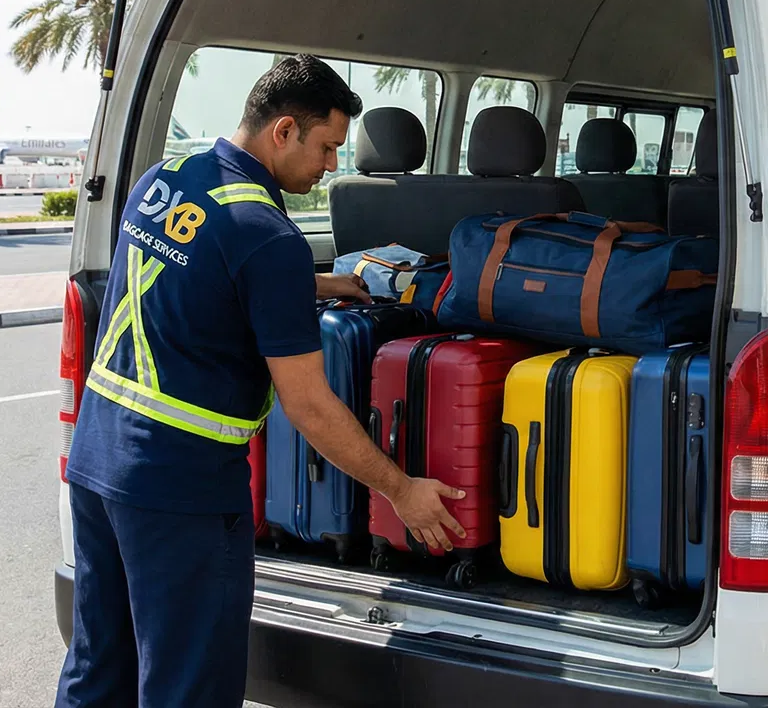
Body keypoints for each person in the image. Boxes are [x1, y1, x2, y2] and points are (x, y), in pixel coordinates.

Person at [57, 55, 465, 708]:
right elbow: (308, 405)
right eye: (327, 146)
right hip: (181, 491)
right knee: (187, 686)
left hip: (97, 469)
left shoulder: (165, 178)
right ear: (283, 131)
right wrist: (401, 489)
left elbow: (205, 273)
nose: (332, 165)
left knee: (98, 671)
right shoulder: (268, 236)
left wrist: (314, 284)